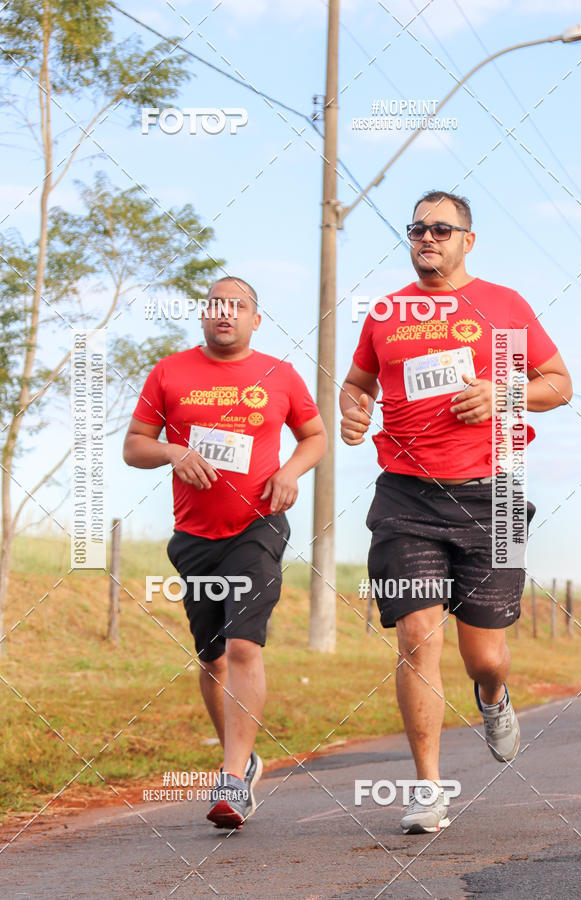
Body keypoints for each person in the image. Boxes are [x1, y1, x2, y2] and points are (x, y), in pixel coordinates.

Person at [340, 191, 572, 834]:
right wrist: (352, 409)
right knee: (417, 637)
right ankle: (428, 789)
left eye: (442, 228)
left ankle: (493, 696)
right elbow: (357, 385)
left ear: (469, 240)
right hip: (406, 495)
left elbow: (559, 383)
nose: (427, 238)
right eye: (417, 228)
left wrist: (505, 393)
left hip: (491, 496)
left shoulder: (504, 305)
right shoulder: (387, 313)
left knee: (487, 656)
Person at [124, 276, 326, 829]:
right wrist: (171, 450)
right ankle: (241, 755)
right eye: (216, 305)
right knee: (211, 658)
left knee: (242, 645)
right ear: (203, 315)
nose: (225, 313)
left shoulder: (279, 375)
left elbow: (315, 436)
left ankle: (234, 779)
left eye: (237, 306)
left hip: (257, 528)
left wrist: (289, 471)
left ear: (255, 319)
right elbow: (133, 446)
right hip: (194, 538)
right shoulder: (169, 372)